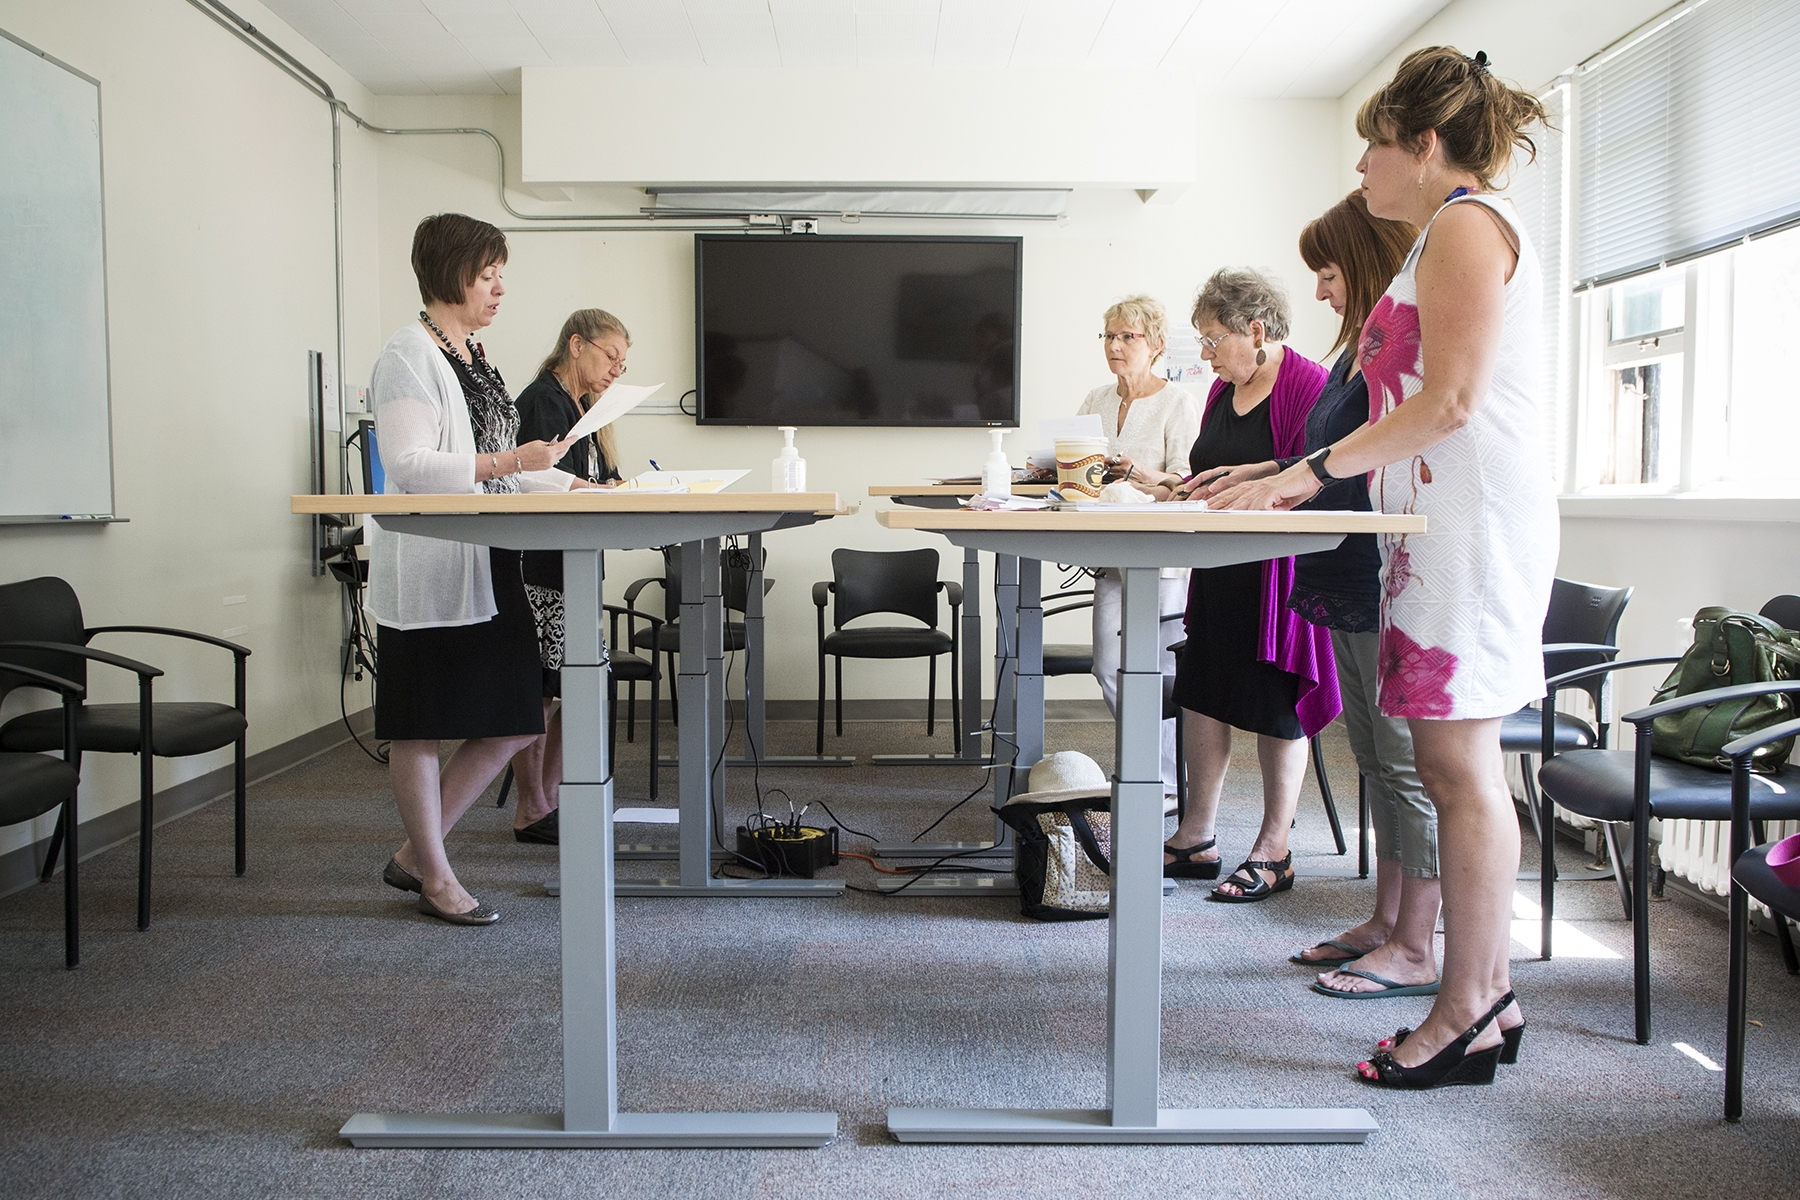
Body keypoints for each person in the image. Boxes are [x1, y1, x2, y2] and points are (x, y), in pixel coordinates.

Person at [1214, 47, 1553, 1087]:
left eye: (1372, 143)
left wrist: (1306, 474)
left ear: (1422, 144)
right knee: (1451, 768)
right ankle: (1481, 999)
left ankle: (1469, 1003)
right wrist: (1283, 472)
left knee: (1459, 769)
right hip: (1431, 528)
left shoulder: (1466, 225)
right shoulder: (1432, 240)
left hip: (1472, 529)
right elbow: (1398, 406)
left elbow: (1448, 402)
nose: (1361, 165)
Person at [1197, 195, 1439, 996]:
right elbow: (1324, 453)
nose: (1323, 295)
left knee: (1403, 768)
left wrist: (1285, 474)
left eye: (1329, 276)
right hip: (1339, 574)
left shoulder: (1395, 351)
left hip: (1378, 575)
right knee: (1374, 757)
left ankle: (1414, 945)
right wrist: (1260, 473)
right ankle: (1384, 922)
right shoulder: (1354, 352)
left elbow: (1368, 456)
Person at [366, 212, 593, 925]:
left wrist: (554, 481)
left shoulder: (472, 353)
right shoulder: (409, 354)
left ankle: (412, 855)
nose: (499, 289)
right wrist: (508, 462)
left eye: (502, 276)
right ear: (451, 272)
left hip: (488, 558)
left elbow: (492, 473)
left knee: (517, 719)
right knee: (420, 725)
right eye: (488, 274)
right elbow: (408, 468)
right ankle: (436, 876)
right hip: (433, 565)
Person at [1143, 269, 1340, 901]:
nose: (1204, 354)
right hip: (1222, 568)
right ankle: (1196, 835)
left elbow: (1318, 478)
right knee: (1204, 689)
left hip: (1281, 577)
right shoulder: (1222, 390)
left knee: (1275, 702)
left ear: (1255, 331)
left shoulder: (1306, 383)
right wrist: (1173, 487)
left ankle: (1274, 849)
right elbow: (1213, 474)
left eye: (1212, 340)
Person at [505, 309, 632, 845]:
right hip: (542, 569)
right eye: (610, 357)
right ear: (576, 345)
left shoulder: (584, 409)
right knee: (542, 689)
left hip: (573, 567)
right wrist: (597, 492)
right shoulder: (542, 399)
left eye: (623, 365)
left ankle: (549, 799)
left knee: (578, 685)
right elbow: (534, 479)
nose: (615, 372)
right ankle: (532, 807)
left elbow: (586, 480)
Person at [1076, 295, 1199, 803]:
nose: (1116, 345)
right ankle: (1145, 765)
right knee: (1108, 666)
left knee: (1160, 674)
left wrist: (1145, 479)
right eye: (1109, 335)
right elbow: (1076, 467)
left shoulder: (1178, 402)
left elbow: (1190, 483)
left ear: (1157, 346)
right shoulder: (1096, 400)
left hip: (1162, 556)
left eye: (1129, 336)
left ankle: (1166, 783)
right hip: (1110, 555)